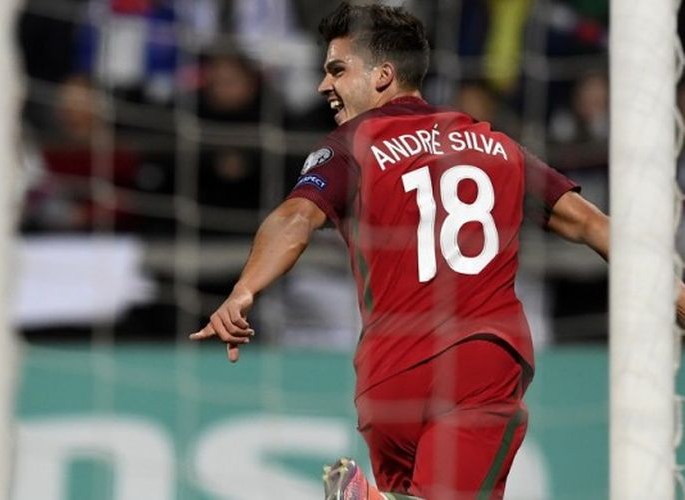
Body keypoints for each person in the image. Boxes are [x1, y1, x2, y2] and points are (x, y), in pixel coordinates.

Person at [190, 3, 685, 499]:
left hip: (386, 380)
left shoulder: (351, 145)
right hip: (477, 360)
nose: (324, 85)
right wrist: (675, 293)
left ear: (383, 75)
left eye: (337, 70)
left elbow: (295, 217)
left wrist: (245, 289)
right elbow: (591, 224)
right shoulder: (495, 144)